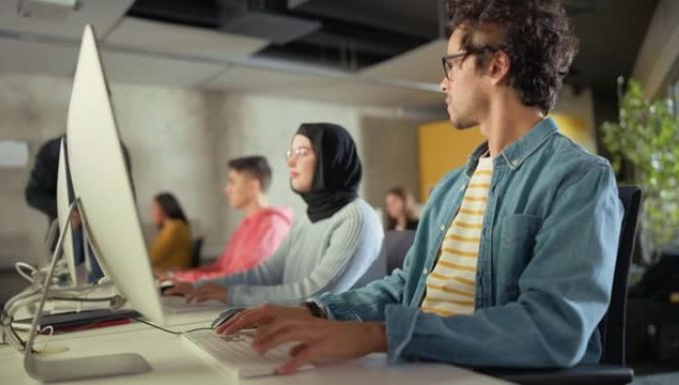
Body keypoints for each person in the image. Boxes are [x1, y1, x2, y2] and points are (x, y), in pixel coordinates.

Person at [214, 0, 624, 375]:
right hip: (418, 363)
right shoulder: (451, 187)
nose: (444, 84)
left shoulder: (578, 177)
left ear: (496, 67)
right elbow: (404, 287)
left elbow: (553, 329)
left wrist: (382, 336)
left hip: (482, 374)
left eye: (452, 64)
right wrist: (316, 312)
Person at [165, 123, 383, 306]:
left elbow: (314, 295)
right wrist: (198, 287)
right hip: (299, 325)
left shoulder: (357, 219)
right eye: (291, 153)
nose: (290, 162)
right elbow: (266, 275)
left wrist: (230, 295)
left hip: (338, 343)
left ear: (332, 160)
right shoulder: (308, 217)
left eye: (303, 153)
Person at [161, 156, 293, 282]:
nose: (226, 189)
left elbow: (244, 279)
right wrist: (179, 276)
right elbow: (220, 268)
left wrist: (184, 279)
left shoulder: (272, 227)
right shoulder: (247, 224)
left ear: (253, 187)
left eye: (232, 182)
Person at [25, 134, 132, 283]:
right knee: (64, 293)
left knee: (105, 291)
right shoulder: (55, 151)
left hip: (106, 243)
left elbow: (126, 197)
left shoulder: (115, 148)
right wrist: (65, 211)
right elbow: (33, 194)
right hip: (67, 244)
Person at [149, 192, 192, 271]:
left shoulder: (173, 228)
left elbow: (152, 257)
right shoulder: (177, 225)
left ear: (164, 209)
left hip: (171, 274)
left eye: (154, 208)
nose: (152, 213)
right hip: (171, 273)